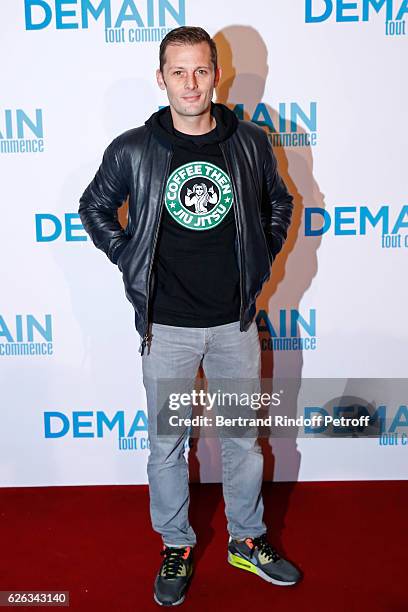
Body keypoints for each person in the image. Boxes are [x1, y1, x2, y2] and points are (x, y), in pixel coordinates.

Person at [79, 25, 301, 607]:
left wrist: (262, 255)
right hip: (169, 327)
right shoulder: (135, 148)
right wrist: (129, 254)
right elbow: (94, 205)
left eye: (201, 70)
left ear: (216, 74)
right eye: (178, 71)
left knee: (242, 442)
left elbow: (280, 200)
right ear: (161, 78)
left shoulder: (249, 142)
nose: (191, 82)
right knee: (166, 446)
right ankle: (176, 545)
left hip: (232, 324)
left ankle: (247, 540)